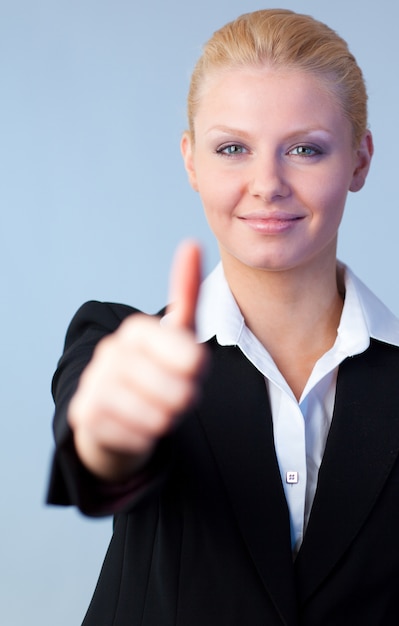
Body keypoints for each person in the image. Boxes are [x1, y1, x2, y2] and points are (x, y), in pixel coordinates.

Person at [47, 8, 399, 625]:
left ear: (360, 161)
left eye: (305, 149)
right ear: (191, 161)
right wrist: (107, 437)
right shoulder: (121, 343)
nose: (267, 183)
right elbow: (95, 467)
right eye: (232, 148)